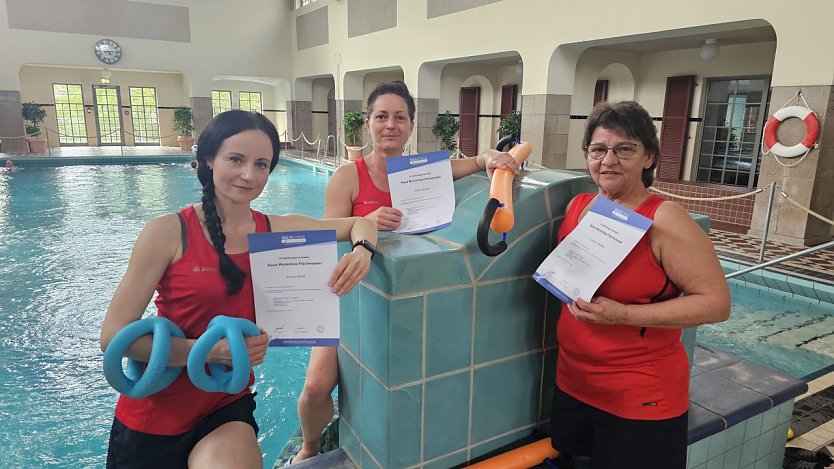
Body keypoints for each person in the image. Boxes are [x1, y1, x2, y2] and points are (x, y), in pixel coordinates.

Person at [100, 110, 377, 469]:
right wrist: (210, 352)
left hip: (223, 405)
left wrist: (362, 253)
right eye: (236, 159)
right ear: (209, 158)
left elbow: (361, 224)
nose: (249, 174)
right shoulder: (168, 232)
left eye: (261, 164)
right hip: (153, 413)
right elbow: (114, 337)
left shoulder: (274, 232)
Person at [290, 80, 520, 463]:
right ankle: (311, 446)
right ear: (368, 124)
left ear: (412, 125)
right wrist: (364, 220)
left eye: (400, 117)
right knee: (315, 387)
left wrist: (490, 160)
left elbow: (470, 166)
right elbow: (325, 242)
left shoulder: (422, 172)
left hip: (405, 299)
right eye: (381, 116)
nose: (390, 125)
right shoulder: (348, 177)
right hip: (350, 295)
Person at [548, 101, 731, 469]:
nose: (608, 160)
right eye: (598, 150)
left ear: (648, 157)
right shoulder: (579, 206)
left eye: (624, 149)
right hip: (573, 382)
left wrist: (623, 314)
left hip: (639, 395)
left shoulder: (665, 219)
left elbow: (716, 304)